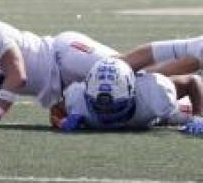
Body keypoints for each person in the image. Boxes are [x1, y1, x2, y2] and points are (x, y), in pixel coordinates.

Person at [0, 0, 203, 130]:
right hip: (55, 91)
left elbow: (18, 75)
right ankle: (187, 97)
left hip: (61, 54)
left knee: (122, 68)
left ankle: (193, 47)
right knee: (132, 89)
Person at [59, 57, 203, 133]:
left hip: (161, 114)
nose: (107, 112)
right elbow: (56, 109)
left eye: (113, 107)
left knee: (184, 112)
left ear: (132, 92)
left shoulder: (154, 92)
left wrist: (198, 117)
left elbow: (192, 81)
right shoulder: (76, 99)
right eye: (100, 106)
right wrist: (61, 120)